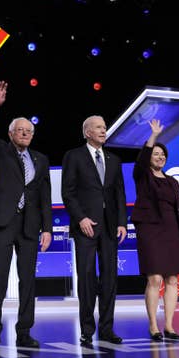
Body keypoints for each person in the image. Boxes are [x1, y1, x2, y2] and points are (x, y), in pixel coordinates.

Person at [0, 81, 52, 349]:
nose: (24, 133)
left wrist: (47, 228)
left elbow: (45, 196)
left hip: (30, 227)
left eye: (28, 131)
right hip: (3, 222)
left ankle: (24, 332)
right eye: (19, 130)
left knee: (28, 282)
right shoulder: (0, 150)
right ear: (10, 134)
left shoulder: (41, 160)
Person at [61, 114, 127, 345]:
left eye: (105, 126)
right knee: (87, 278)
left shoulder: (114, 159)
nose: (103, 130)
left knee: (110, 278)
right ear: (87, 132)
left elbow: (119, 193)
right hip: (85, 227)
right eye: (99, 127)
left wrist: (121, 222)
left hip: (110, 227)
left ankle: (107, 329)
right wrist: (81, 219)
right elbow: (67, 192)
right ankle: (87, 330)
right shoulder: (73, 156)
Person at [130, 119, 179, 342]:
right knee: (155, 278)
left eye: (162, 155)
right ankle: (152, 326)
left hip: (171, 232)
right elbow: (141, 161)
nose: (160, 157)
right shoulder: (143, 176)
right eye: (156, 154)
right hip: (150, 230)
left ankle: (169, 326)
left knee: (172, 279)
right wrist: (154, 136)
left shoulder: (173, 182)